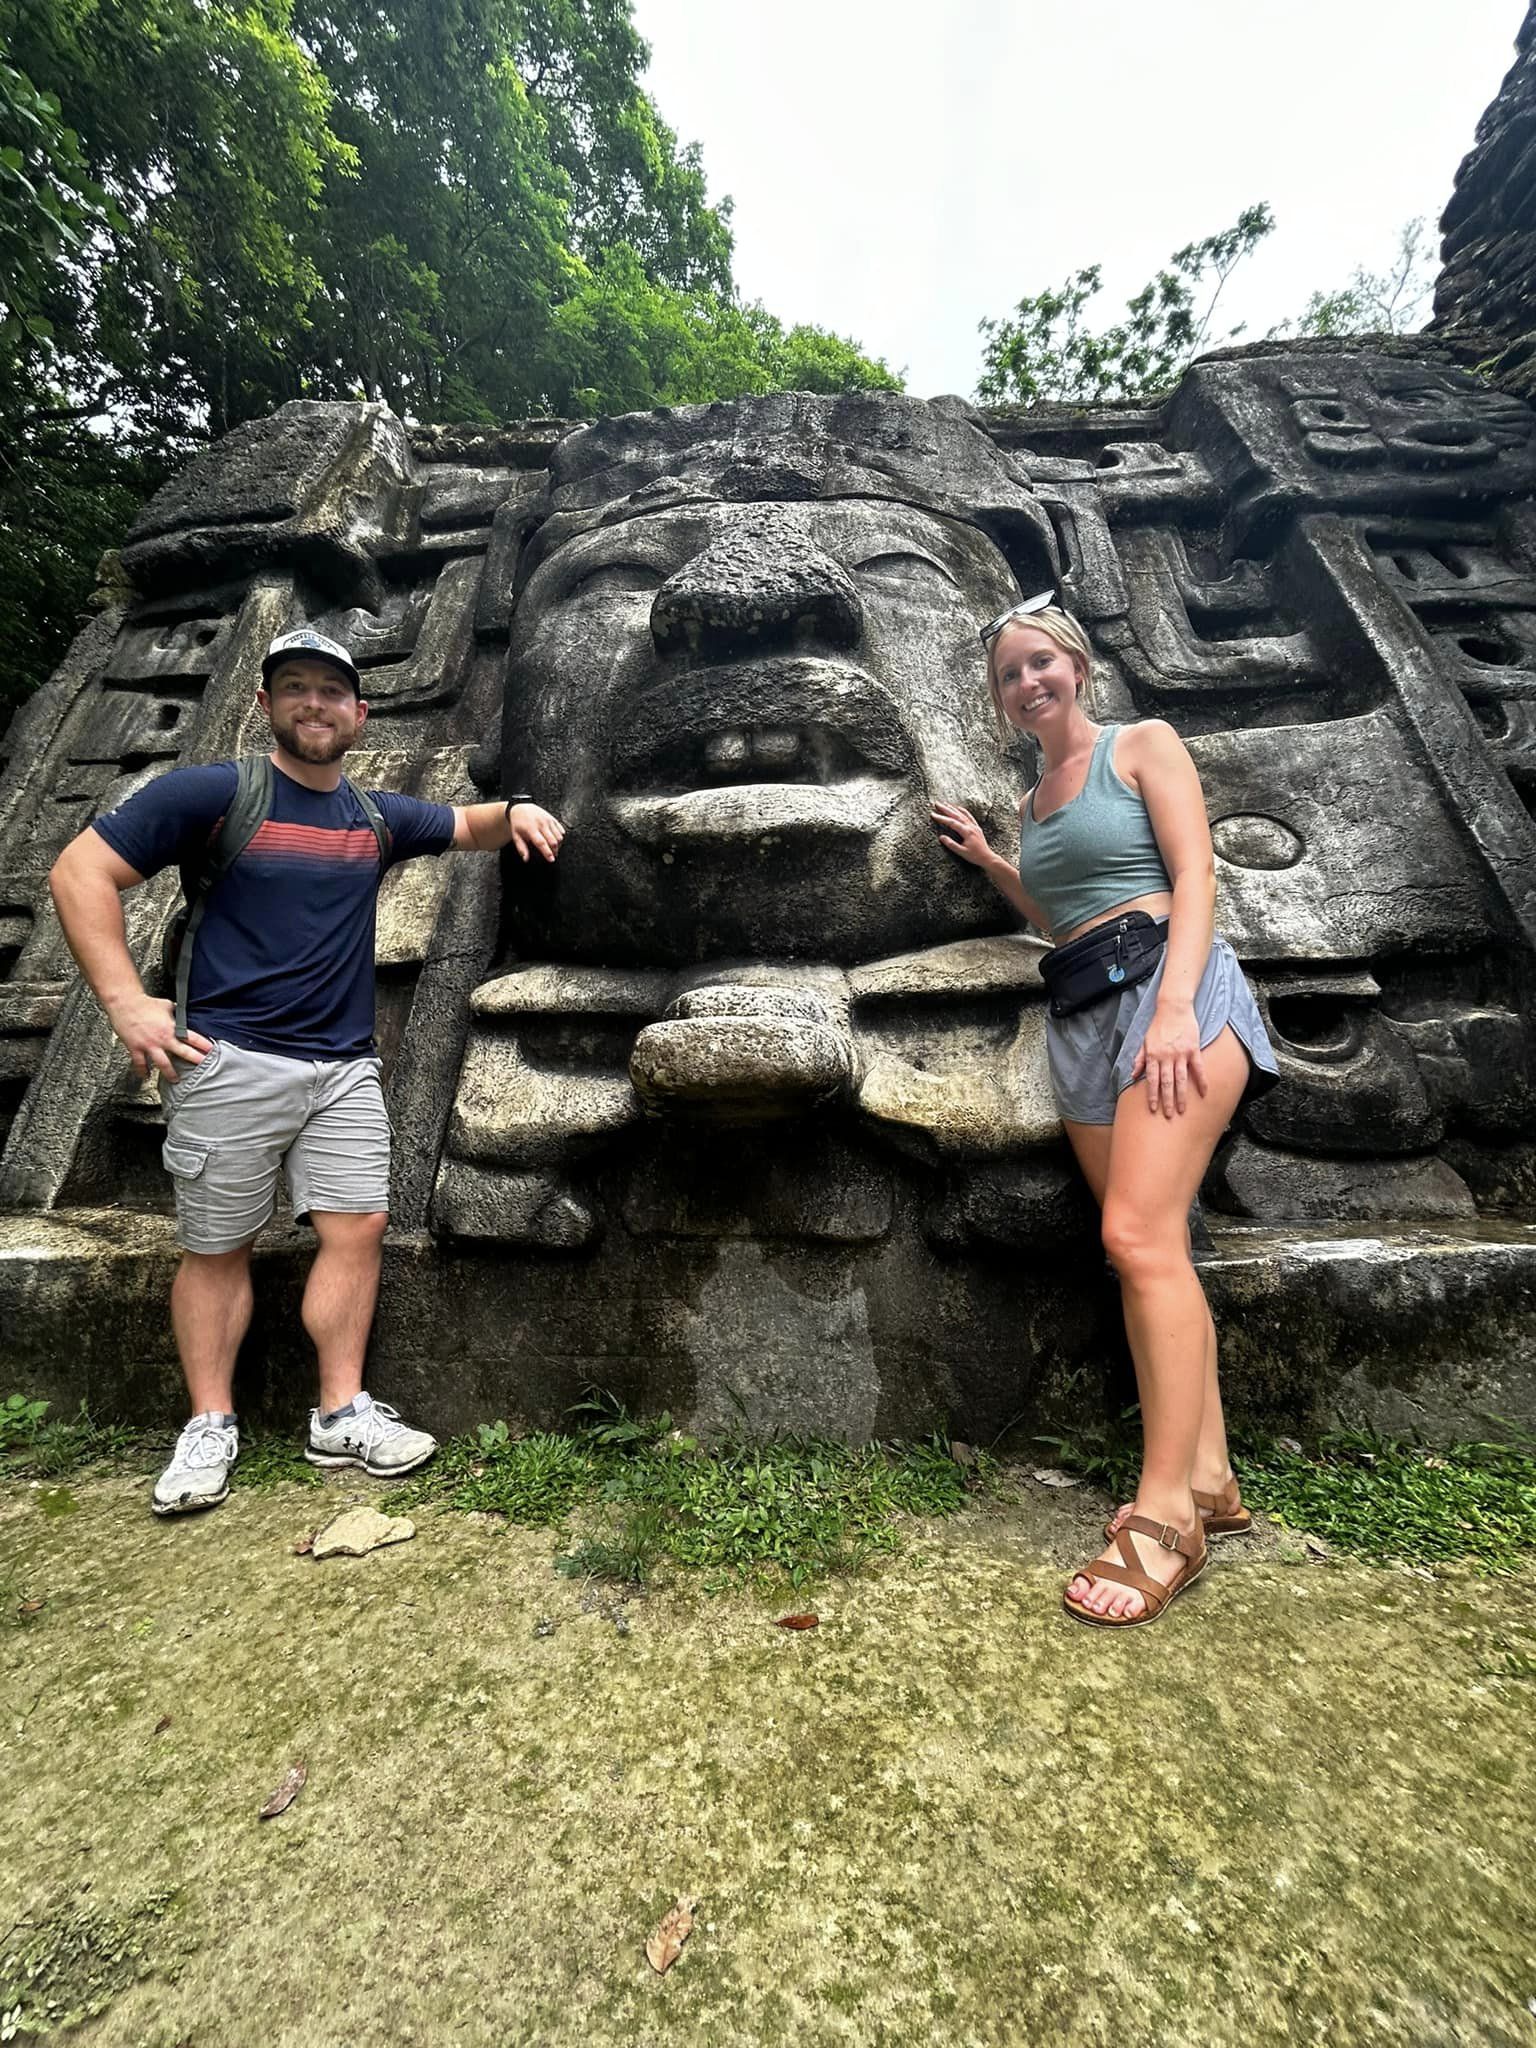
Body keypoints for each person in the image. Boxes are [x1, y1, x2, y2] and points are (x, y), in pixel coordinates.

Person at [47, 627, 565, 1517]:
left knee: (358, 1227)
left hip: (343, 1068)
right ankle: (210, 1421)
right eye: (296, 687)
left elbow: (469, 825)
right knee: (215, 1248)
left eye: (332, 691)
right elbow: (81, 870)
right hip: (230, 1060)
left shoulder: (375, 817)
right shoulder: (214, 793)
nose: (315, 704)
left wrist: (517, 807)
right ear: (266, 704)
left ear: (360, 715)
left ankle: (340, 1411)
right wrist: (129, 1004)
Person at [932, 596, 1278, 1628]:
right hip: (1078, 1004)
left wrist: (1174, 1007)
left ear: (1077, 664)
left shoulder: (1144, 744)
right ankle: (1210, 1475)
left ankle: (1166, 1517)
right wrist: (999, 863)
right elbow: (1060, 910)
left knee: (1136, 1234)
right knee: (1145, 1239)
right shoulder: (1037, 800)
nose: (1028, 681)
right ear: (1000, 701)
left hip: (1167, 989)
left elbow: (1194, 869)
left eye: (1041, 662)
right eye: (1009, 674)